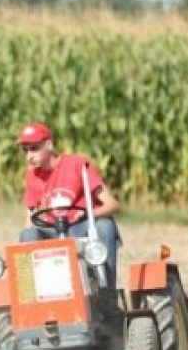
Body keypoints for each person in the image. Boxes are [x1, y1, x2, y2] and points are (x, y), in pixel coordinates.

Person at [16, 122, 121, 288]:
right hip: (53, 230)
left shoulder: (77, 165)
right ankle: (30, 295)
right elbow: (30, 219)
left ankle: (106, 293)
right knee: (27, 235)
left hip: (81, 227)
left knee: (105, 227)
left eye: (34, 148)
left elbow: (113, 205)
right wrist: (28, 234)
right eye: (25, 150)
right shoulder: (32, 175)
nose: (29, 155)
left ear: (49, 145)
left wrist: (88, 214)